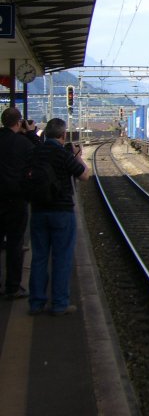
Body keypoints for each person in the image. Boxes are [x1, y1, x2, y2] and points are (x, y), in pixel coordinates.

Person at [27, 118, 90, 316]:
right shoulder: (63, 154)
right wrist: (78, 156)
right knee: (62, 258)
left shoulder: (35, 151)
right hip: (62, 212)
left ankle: (36, 303)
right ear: (63, 136)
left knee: (39, 258)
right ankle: (60, 304)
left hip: (38, 211)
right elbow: (84, 175)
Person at [0, 107, 35, 299]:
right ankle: (12, 286)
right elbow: (37, 160)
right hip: (16, 200)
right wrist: (30, 133)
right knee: (15, 244)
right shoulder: (23, 143)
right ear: (19, 122)